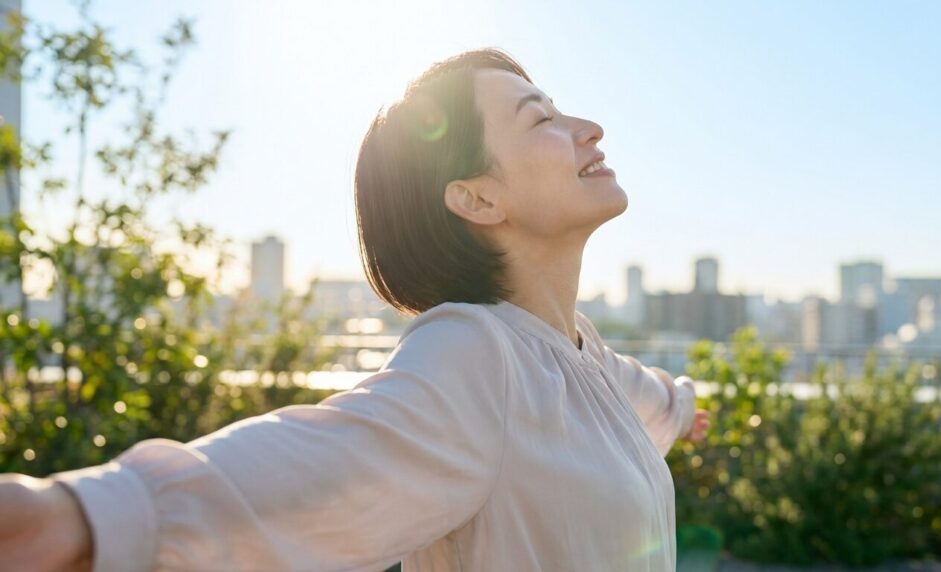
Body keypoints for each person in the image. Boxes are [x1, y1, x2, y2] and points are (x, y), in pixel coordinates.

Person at [0, 47, 711, 571]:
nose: (588, 127)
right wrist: (83, 517)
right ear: (476, 198)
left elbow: (638, 399)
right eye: (542, 120)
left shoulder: (579, 353)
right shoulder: (478, 353)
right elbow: (331, 462)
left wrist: (681, 406)